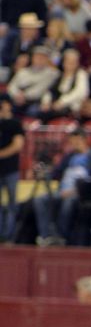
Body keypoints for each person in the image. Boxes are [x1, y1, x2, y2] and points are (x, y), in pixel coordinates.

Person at [33, 128, 91, 246]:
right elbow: (56, 172)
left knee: (68, 202)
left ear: (84, 140)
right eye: (72, 142)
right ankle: (46, 235)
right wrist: (45, 172)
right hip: (62, 191)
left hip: (80, 193)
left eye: (77, 141)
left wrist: (75, 191)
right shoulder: (69, 156)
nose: (74, 144)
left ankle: (62, 236)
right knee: (40, 200)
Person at [0, 94, 23, 244]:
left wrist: (1, 154)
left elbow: (17, 145)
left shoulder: (15, 124)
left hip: (10, 169)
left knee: (12, 203)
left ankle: (9, 235)